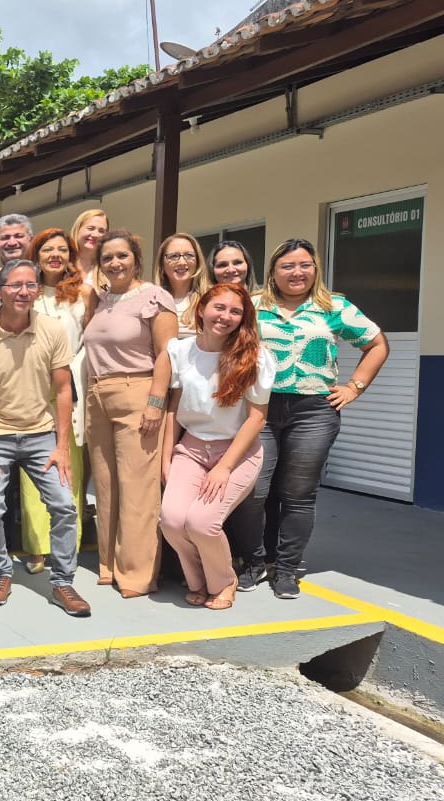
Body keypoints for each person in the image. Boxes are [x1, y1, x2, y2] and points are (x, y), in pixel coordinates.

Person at [233, 238, 388, 599]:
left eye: (304, 265)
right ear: (273, 271)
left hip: (314, 411)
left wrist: (354, 387)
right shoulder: (254, 305)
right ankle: (255, 562)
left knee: (298, 494)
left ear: (315, 268)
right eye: (287, 266)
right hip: (261, 410)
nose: (297, 272)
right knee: (254, 492)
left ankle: (287, 569)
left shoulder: (333, 306)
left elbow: (376, 344)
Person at [0, 260, 89, 617]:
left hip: (40, 434)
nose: (23, 292)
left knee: (64, 505)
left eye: (31, 285)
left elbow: (64, 390)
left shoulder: (52, 330)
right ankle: (1, 572)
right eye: (15, 285)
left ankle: (63, 581)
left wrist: (62, 447)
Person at [160, 283, 274, 611]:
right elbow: (175, 409)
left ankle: (224, 581)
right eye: (218, 308)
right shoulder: (180, 351)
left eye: (235, 311)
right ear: (201, 310)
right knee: (171, 519)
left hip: (237, 452)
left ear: (244, 318)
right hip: (192, 449)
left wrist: (224, 467)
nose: (225, 316)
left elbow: (256, 419)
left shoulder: (256, 357)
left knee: (202, 522)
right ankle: (198, 581)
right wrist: (167, 458)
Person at [82, 230, 177, 598]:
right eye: (107, 258)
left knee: (138, 488)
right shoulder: (102, 300)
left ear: (136, 258)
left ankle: (136, 575)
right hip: (98, 396)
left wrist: (156, 402)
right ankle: (109, 564)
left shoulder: (155, 296)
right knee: (106, 488)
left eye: (122, 256)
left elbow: (166, 353)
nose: (115, 263)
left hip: (137, 391)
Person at [17, 228, 90, 575]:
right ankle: (36, 546)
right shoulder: (25, 292)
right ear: (36, 255)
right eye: (48, 250)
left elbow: (92, 340)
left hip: (69, 387)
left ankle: (67, 545)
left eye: (63, 249)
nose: (55, 255)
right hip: (29, 386)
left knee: (67, 467)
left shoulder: (83, 295)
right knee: (32, 468)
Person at [155, 232, 209, 338]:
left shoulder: (210, 298)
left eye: (189, 255)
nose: (182, 262)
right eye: (174, 256)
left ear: (198, 261)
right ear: (162, 263)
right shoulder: (152, 300)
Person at [70, 209, 109, 285]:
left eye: (101, 231)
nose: (95, 235)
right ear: (78, 229)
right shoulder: (63, 265)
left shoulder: (108, 268)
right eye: (90, 228)